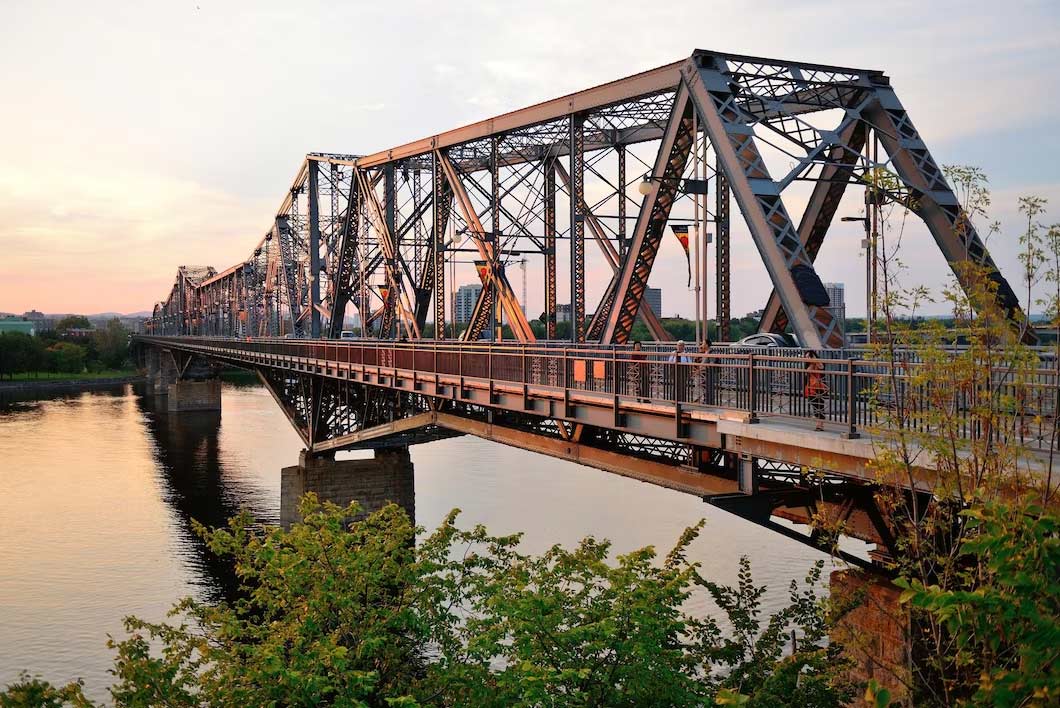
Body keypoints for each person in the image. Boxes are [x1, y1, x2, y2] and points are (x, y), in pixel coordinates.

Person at [804, 350, 828, 431]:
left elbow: (822, 367)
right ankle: (819, 423)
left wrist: (814, 360)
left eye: (809, 356)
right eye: (806, 357)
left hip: (819, 387)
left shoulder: (819, 363)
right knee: (814, 405)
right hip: (810, 388)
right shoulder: (808, 365)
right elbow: (808, 371)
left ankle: (820, 425)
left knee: (820, 405)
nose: (807, 358)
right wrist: (811, 363)